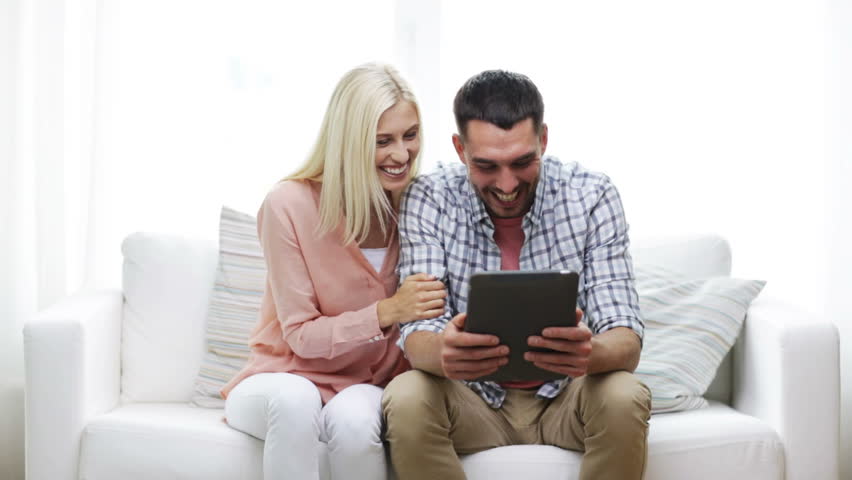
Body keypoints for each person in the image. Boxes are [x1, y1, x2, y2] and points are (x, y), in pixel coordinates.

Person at [381, 70, 652, 480]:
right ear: (460, 149)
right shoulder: (429, 197)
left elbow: (625, 339)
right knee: (406, 394)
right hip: (471, 400)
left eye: (522, 162)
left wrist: (588, 353)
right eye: (486, 166)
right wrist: (444, 353)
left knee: (624, 394)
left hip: (566, 397)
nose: (506, 184)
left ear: (543, 139)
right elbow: (418, 335)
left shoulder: (592, 194)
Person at [221, 63, 447, 480]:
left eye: (410, 135)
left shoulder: (416, 205)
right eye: (383, 141)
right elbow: (302, 335)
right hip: (281, 376)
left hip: (363, 384)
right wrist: (389, 311)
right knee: (296, 402)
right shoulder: (287, 205)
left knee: (357, 425)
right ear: (349, 141)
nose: (401, 154)